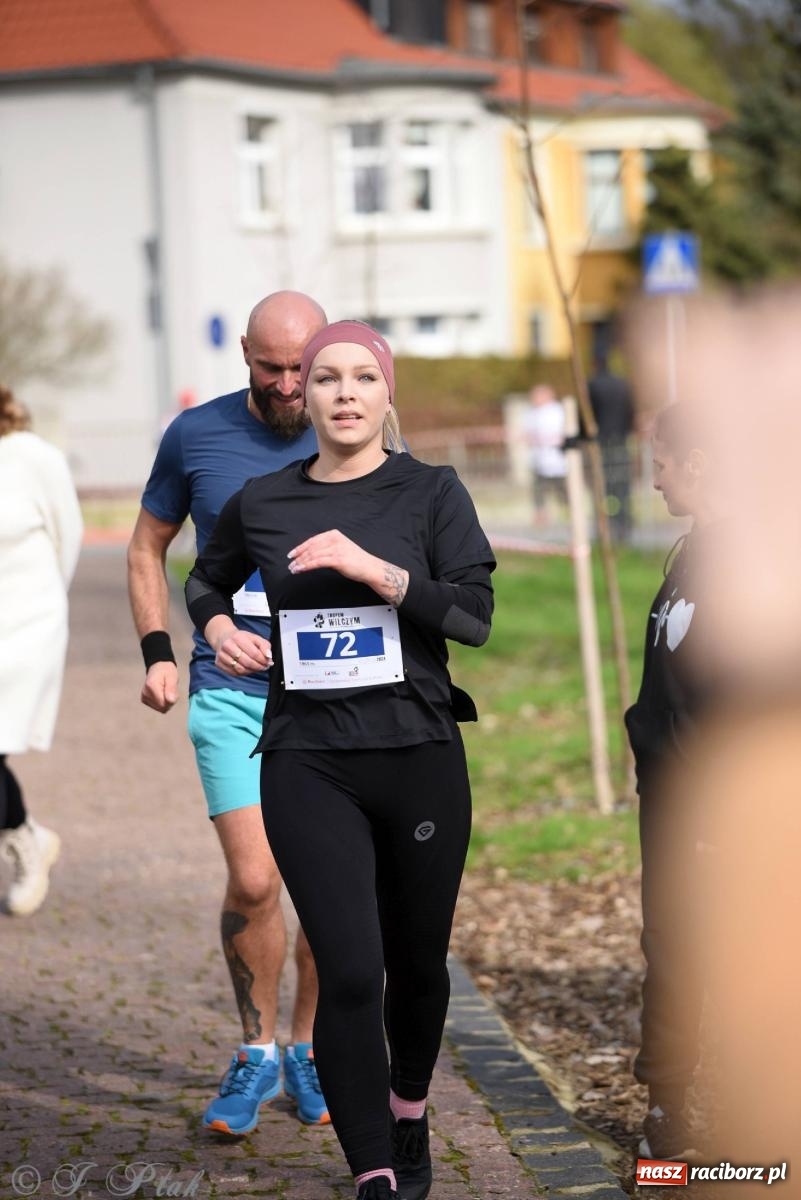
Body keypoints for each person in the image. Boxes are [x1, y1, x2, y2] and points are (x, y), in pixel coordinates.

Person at [185, 320, 495, 1200]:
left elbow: (473, 618)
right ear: (304, 393)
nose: (345, 392)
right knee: (352, 968)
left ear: (387, 392)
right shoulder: (264, 501)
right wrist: (218, 627)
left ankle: (408, 1109)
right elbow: (204, 578)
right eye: (327, 378)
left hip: (418, 755)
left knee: (417, 964)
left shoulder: (430, 491)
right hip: (308, 760)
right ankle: (372, 1168)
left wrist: (375, 571)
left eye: (363, 376)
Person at [127, 291, 330, 1134]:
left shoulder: (357, 424)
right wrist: (158, 651)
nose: (286, 386)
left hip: (333, 694)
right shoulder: (195, 435)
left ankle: (307, 1050)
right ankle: (255, 1053)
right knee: (254, 878)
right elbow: (147, 547)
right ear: (244, 351)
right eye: (269, 367)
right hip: (230, 687)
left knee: (325, 884)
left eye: (300, 369)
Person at [624, 402, 720, 1162]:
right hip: (669, 797)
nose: (653, 480)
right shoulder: (692, 552)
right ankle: (667, 1111)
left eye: (661, 464)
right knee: (673, 945)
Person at [0, 386, 83, 915]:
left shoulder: (33, 457)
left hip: (25, 625)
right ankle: (26, 834)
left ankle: (25, 840)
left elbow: (67, 539)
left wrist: (49, 610)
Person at [588, 357, 634, 542]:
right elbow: (630, 412)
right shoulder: (622, 384)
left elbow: (588, 415)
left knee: (603, 488)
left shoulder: (592, 385)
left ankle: (605, 528)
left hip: (601, 445)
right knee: (621, 487)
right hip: (621, 442)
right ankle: (623, 525)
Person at [521, 383, 567, 527]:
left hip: (558, 460)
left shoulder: (558, 411)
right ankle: (541, 515)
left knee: (562, 489)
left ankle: (568, 512)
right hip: (539, 459)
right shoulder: (531, 413)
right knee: (539, 491)